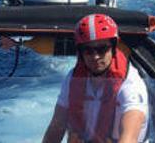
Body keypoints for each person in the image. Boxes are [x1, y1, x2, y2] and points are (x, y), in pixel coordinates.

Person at [43, 14, 149, 143]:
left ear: (114, 48)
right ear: (80, 52)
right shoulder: (72, 79)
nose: (95, 57)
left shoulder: (131, 85)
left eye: (102, 49)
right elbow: (56, 127)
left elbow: (129, 137)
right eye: (88, 50)